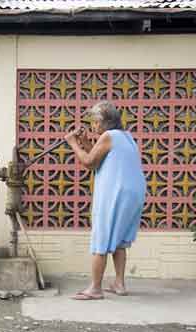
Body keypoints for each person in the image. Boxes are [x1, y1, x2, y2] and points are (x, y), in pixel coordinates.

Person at [65, 101, 146, 300]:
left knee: (101, 237)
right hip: (134, 192)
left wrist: (73, 143)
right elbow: (99, 159)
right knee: (119, 241)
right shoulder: (126, 137)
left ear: (103, 122)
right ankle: (119, 283)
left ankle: (95, 288)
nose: (93, 126)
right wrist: (85, 143)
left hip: (115, 192)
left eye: (94, 121)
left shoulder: (108, 136)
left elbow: (89, 162)